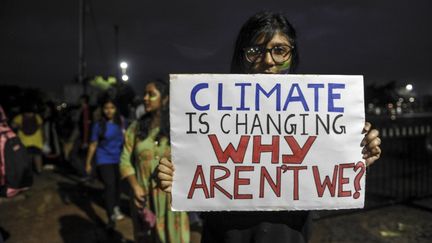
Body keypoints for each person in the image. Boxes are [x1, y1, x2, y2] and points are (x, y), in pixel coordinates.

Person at [157, 11, 382, 243]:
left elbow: (322, 172)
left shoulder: (314, 111)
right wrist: (174, 176)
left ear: (291, 56)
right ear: (241, 55)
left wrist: (353, 156)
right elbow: (195, 173)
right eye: (255, 50)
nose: (268, 60)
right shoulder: (212, 109)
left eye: (279, 49)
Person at [120, 80, 190, 243]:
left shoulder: (180, 127)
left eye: (151, 94)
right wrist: (135, 186)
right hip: (143, 197)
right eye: (145, 94)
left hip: (172, 198)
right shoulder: (135, 129)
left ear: (165, 98)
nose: (145, 98)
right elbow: (125, 160)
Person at [85, 95, 125, 230]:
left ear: (116, 109)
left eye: (112, 108)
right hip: (104, 159)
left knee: (119, 186)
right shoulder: (98, 125)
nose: (109, 111)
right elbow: (93, 144)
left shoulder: (121, 122)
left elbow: (126, 140)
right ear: (102, 109)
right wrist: (88, 163)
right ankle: (110, 217)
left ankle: (116, 207)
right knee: (110, 185)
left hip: (119, 158)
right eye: (106, 108)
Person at [11, 103, 44, 174]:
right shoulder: (37, 116)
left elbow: (13, 126)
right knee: (37, 156)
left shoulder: (19, 117)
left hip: (24, 141)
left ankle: (27, 171)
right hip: (37, 141)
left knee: (26, 157)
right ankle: (39, 170)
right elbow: (41, 127)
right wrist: (44, 137)